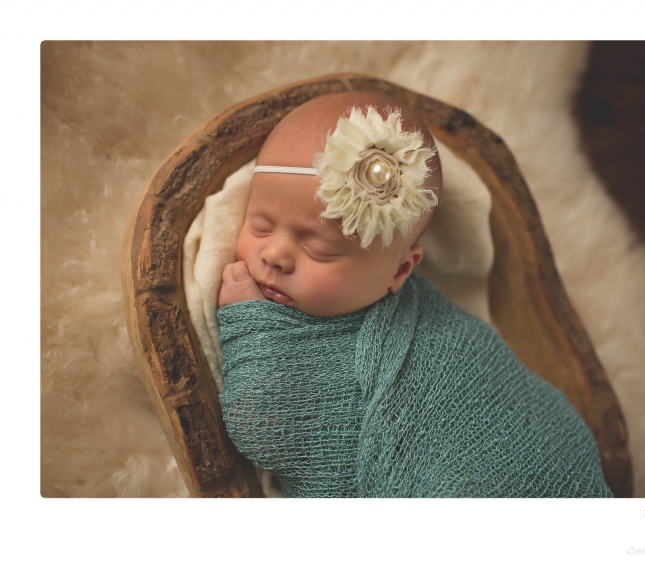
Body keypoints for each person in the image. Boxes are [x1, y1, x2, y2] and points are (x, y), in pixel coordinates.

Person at [216, 91, 612, 498]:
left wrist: (246, 324)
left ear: (400, 270)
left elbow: (264, 429)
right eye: (261, 225)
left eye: (319, 249)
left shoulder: (440, 333)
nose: (275, 254)